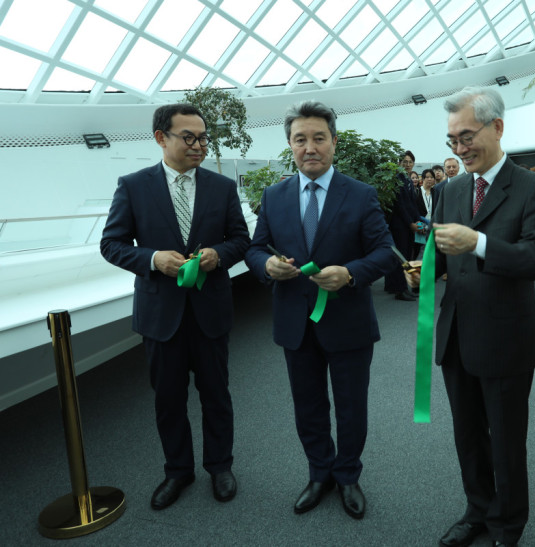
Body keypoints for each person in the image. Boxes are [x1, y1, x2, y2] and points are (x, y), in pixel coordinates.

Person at [406, 86, 535, 547]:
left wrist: (480, 244)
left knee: (507, 441)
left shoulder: (532, 187)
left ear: (497, 127)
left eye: (467, 136)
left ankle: (507, 525)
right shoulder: (451, 189)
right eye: (452, 140)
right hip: (456, 333)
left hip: (506, 338)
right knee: (468, 435)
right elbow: (443, 254)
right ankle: (477, 509)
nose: (459, 148)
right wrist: (422, 269)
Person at [244, 100, 395, 520]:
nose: (309, 147)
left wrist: (350, 273)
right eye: (300, 139)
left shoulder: (360, 194)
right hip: (295, 323)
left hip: (348, 322)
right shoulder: (274, 196)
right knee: (308, 406)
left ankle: (347, 475)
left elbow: (386, 252)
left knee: (351, 406)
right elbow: (254, 249)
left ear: (333, 142)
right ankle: (319, 472)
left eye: (318, 138)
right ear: (290, 145)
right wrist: (267, 266)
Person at [100, 103, 250, 510]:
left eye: (203, 138)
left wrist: (218, 255)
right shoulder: (133, 186)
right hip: (160, 314)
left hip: (210, 311)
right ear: (160, 138)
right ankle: (177, 471)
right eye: (189, 137)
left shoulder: (222, 187)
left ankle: (220, 466)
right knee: (168, 399)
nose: (199, 145)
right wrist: (152, 259)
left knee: (216, 394)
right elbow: (111, 244)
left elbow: (241, 240)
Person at [384, 150, 422, 300]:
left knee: (401, 256)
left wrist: (417, 220)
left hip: (408, 224)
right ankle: (401, 290)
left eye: (410, 162)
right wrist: (410, 223)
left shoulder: (407, 179)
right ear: (399, 163)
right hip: (400, 225)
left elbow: (412, 204)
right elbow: (400, 205)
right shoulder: (397, 179)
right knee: (402, 257)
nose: (407, 164)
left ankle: (392, 286)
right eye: (404, 162)